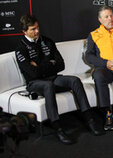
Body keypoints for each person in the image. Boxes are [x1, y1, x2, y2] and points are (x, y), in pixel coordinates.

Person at [15, 15, 103, 145]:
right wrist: (50, 63)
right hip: (35, 83)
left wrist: (40, 66)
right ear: (24, 31)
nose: (37, 31)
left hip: (53, 78)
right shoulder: (21, 48)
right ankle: (58, 129)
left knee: (74, 81)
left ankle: (90, 120)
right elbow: (33, 74)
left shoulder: (48, 41)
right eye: (33, 29)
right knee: (48, 86)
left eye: (37, 27)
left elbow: (61, 64)